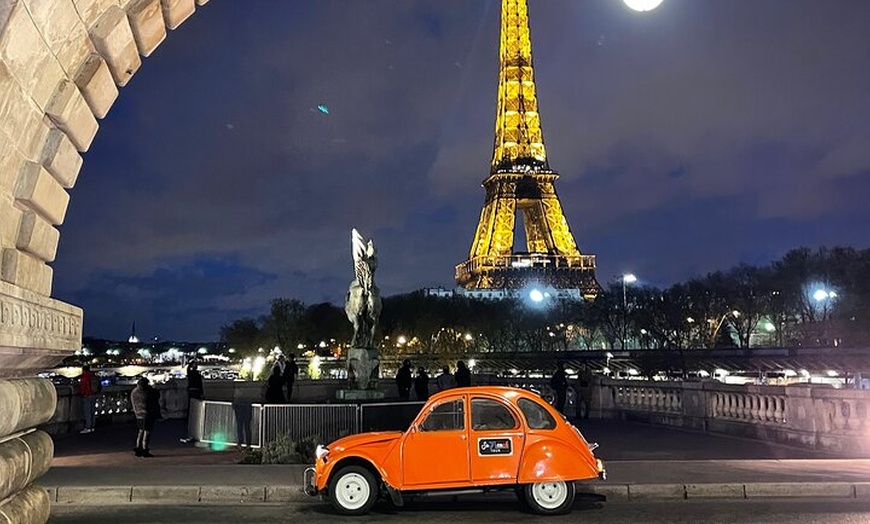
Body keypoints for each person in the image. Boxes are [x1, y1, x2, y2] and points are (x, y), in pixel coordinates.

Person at [131, 377, 161, 457]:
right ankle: (145, 450)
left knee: (141, 431)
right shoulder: (147, 392)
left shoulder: (134, 392)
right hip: (147, 414)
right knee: (147, 432)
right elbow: (156, 395)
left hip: (138, 414)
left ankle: (138, 448)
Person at [180, 361, 204, 444]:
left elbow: (187, 370)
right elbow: (200, 385)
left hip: (192, 390)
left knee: (192, 406)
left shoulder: (190, 373)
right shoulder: (198, 375)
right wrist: (202, 393)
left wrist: (190, 363)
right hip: (196, 391)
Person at [78, 364, 101, 434]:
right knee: (92, 411)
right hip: (93, 394)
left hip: (87, 395)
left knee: (87, 412)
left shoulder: (84, 377)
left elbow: (83, 387)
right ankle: (92, 427)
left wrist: (82, 394)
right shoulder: (93, 376)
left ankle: (88, 427)